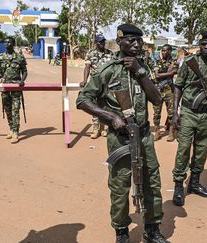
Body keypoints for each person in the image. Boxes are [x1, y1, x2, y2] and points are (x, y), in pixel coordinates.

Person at [76, 24, 168, 243]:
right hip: (120, 139)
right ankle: (121, 231)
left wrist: (140, 72)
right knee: (120, 185)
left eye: (139, 41)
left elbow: (156, 100)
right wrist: (110, 117)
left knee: (152, 182)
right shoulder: (108, 70)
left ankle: (152, 229)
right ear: (119, 42)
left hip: (144, 135)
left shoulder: (144, 67)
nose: (137, 44)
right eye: (131, 40)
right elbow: (83, 99)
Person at [172, 31, 207, 206]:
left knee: (202, 149)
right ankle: (178, 186)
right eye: (203, 44)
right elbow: (178, 86)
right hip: (189, 111)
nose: (206, 47)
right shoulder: (190, 63)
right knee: (183, 148)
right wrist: (175, 111)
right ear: (200, 45)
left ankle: (194, 183)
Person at [80, 34, 114, 139]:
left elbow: (113, 68)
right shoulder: (90, 53)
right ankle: (96, 129)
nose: (102, 43)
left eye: (103, 41)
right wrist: (84, 80)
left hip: (107, 83)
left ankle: (105, 128)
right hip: (95, 83)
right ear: (96, 43)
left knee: (106, 105)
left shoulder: (110, 53)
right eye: (100, 42)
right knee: (94, 106)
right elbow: (87, 67)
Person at [0, 36, 28, 144]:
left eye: (9, 42)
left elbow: (25, 72)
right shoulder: (0, 57)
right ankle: (11, 128)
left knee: (15, 110)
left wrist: (22, 80)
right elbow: (0, 73)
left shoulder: (19, 57)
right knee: (7, 110)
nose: (7, 44)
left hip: (16, 88)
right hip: (5, 88)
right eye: (5, 42)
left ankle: (15, 132)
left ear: (13, 44)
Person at [151, 44, 178, 142]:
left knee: (171, 113)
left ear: (170, 51)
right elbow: (156, 75)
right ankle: (157, 131)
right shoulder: (157, 61)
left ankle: (171, 132)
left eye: (165, 50)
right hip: (158, 91)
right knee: (156, 113)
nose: (163, 52)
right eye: (162, 51)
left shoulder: (174, 62)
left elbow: (173, 72)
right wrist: (167, 73)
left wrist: (162, 74)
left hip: (169, 90)